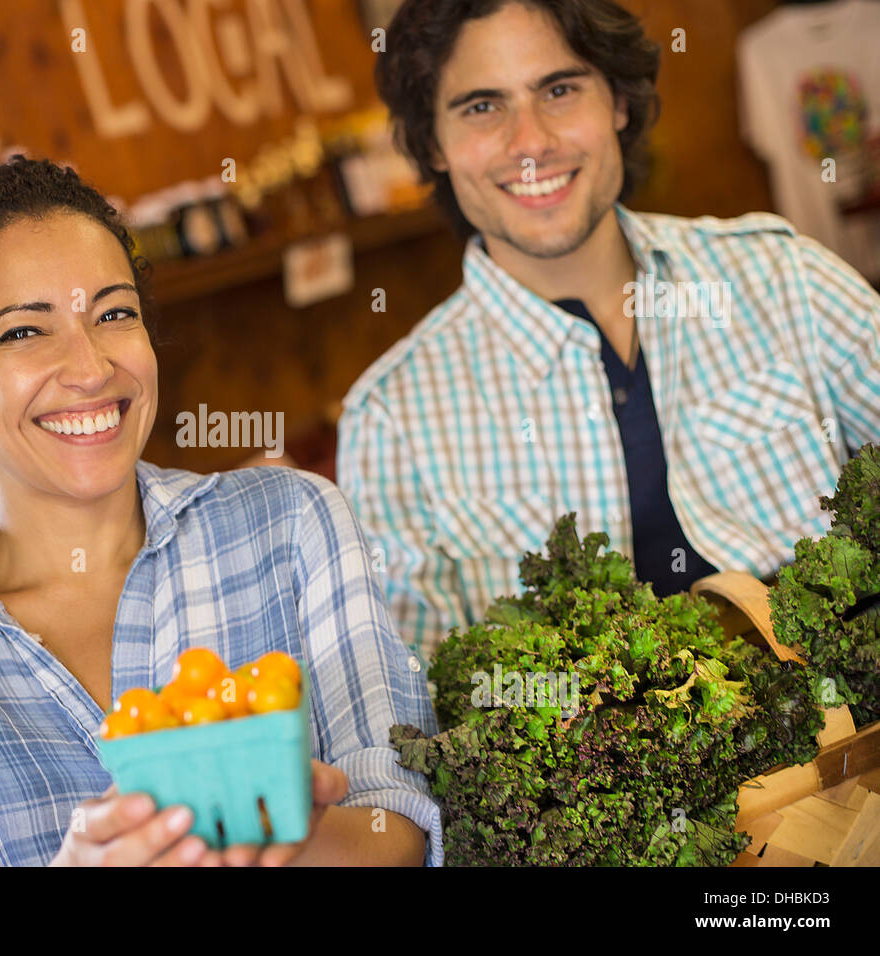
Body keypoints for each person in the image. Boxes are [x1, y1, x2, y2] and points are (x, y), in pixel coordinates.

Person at [0, 156, 443, 866]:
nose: (90, 369)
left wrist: (290, 834)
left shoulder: (290, 520)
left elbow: (398, 831)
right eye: (27, 331)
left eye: (114, 314)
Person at [337, 0, 880, 664]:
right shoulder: (392, 420)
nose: (530, 141)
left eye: (559, 90)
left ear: (618, 102)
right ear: (431, 144)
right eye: (482, 107)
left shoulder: (782, 278)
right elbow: (417, 708)